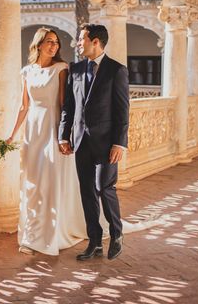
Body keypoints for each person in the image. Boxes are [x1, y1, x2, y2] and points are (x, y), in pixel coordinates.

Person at [6, 27, 86, 255]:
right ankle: (32, 231)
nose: (54, 46)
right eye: (49, 42)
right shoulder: (27, 71)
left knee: (50, 179)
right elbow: (24, 106)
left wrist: (64, 136)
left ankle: (52, 232)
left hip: (52, 128)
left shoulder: (61, 69)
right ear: (38, 45)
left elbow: (64, 105)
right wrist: (13, 134)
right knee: (32, 182)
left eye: (56, 42)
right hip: (33, 130)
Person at [58, 23, 129, 261]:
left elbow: (122, 111)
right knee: (87, 192)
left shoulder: (116, 70)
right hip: (80, 142)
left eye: (81, 39)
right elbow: (69, 106)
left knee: (104, 187)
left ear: (95, 41)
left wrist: (120, 144)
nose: (78, 43)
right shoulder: (75, 69)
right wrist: (63, 134)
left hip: (107, 143)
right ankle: (95, 242)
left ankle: (116, 234)